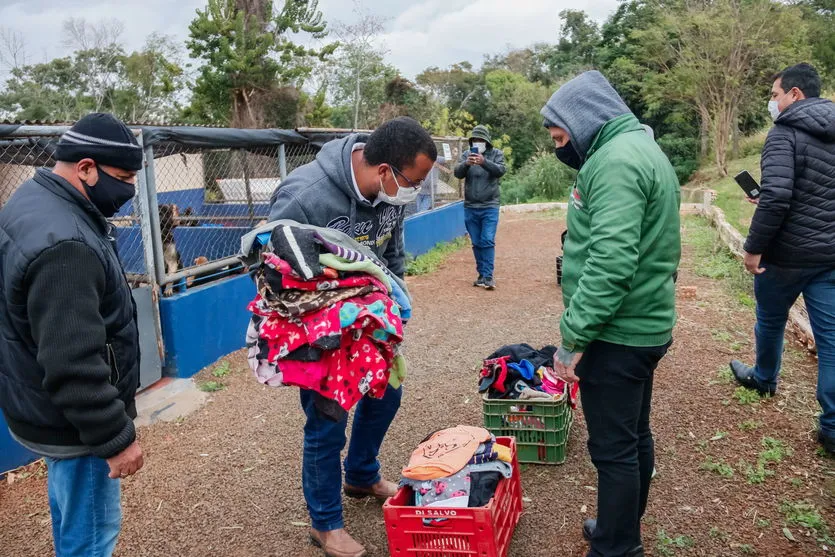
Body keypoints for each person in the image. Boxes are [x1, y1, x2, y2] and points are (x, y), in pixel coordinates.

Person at [267, 116, 436, 557]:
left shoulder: (390, 194)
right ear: (384, 171)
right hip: (319, 329)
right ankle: (325, 525)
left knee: (387, 393)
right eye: (412, 182)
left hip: (371, 321)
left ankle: (360, 475)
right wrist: (321, 324)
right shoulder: (305, 197)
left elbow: (391, 252)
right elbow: (271, 268)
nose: (413, 191)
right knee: (327, 420)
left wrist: (394, 303)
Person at [542, 71, 681, 557]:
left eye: (561, 137)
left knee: (614, 450)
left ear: (583, 121)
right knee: (634, 434)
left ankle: (618, 547)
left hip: (619, 333)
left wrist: (573, 337)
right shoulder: (640, 149)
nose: (560, 148)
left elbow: (611, 262)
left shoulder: (617, 162)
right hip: (645, 323)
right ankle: (619, 527)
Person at [0, 113, 145, 556]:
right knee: (93, 532)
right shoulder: (66, 242)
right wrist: (114, 438)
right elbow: (72, 361)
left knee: (72, 510)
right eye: (122, 178)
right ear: (86, 168)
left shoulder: (33, 199)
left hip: (41, 405)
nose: (129, 190)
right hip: (75, 423)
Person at [730, 63, 835, 454]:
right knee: (831, 341)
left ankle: (764, 378)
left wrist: (753, 247)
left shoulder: (784, 134)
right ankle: (832, 426)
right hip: (828, 256)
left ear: (795, 94)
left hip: (785, 256)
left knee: (770, 320)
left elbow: (777, 197)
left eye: (775, 95)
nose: (772, 103)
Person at [454, 125, 506, 290]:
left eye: (481, 140)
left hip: (490, 205)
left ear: (487, 141)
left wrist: (484, 162)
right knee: (476, 242)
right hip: (470, 206)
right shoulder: (466, 154)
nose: (478, 142)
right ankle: (482, 275)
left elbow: (500, 171)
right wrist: (467, 164)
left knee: (487, 240)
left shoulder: (496, 154)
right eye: (475, 140)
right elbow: (457, 173)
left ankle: (489, 276)